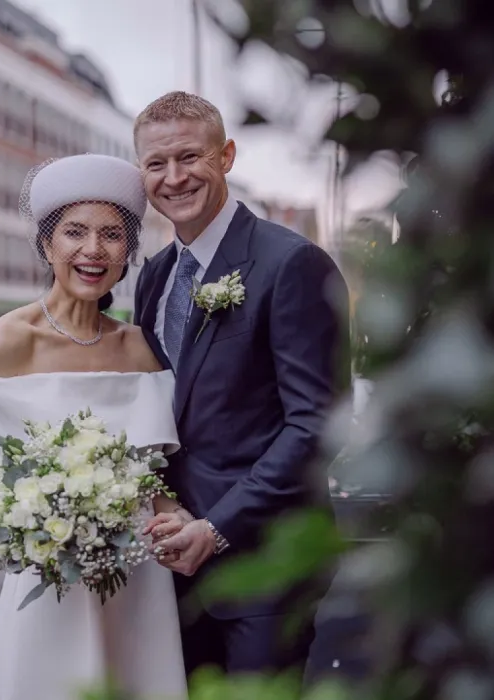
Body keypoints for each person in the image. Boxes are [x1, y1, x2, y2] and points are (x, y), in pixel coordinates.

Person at [0, 153, 191, 700]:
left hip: (136, 578)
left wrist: (176, 522)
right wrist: (40, 530)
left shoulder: (138, 347)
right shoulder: (8, 340)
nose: (92, 250)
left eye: (111, 235)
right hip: (47, 575)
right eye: (74, 232)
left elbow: (158, 482)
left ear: (127, 250)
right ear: (47, 245)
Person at [134, 92, 350, 679]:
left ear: (226, 155)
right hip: (171, 563)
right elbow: (155, 411)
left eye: (189, 157)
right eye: (156, 164)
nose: (173, 178)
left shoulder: (292, 264)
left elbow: (318, 425)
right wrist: (168, 510)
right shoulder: (153, 278)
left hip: (267, 565)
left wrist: (218, 528)